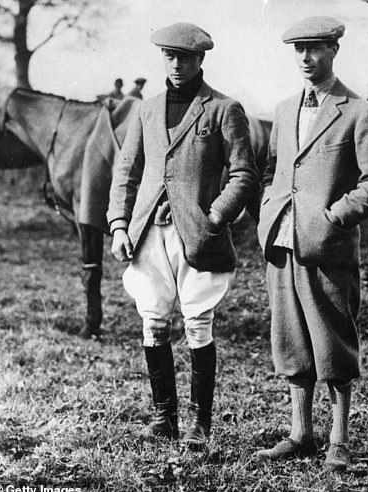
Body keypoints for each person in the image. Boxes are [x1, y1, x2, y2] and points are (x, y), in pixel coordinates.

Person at [107, 22, 259, 450]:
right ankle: (164, 416)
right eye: (170, 56)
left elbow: (244, 173)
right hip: (148, 234)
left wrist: (216, 215)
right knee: (153, 320)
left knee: (198, 322)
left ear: (201, 60)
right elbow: (126, 170)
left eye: (186, 57)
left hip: (198, 236)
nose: (177, 65)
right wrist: (119, 223)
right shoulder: (148, 109)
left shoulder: (223, 109)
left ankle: (199, 424)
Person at [254, 16, 368, 471]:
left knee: (332, 341)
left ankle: (339, 440)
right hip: (283, 243)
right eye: (298, 49)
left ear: (334, 50)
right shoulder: (282, 108)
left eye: (315, 48)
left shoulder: (358, 111)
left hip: (328, 247)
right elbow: (274, 168)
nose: (305, 58)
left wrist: (335, 215)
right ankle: (301, 433)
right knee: (291, 341)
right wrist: (269, 210)